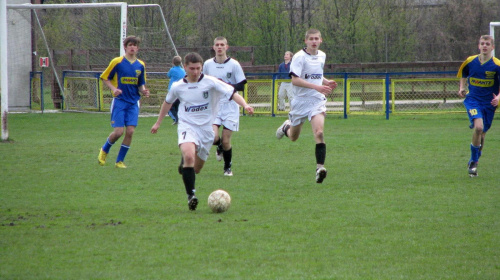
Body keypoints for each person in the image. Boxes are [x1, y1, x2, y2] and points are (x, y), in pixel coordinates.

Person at [151, 52, 254, 211]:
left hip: (206, 130)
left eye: (198, 68)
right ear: (185, 67)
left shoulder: (211, 82)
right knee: (189, 155)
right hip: (187, 125)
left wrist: (245, 105)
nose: (195, 71)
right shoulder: (178, 86)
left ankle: (184, 162)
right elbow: (167, 103)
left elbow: (233, 93)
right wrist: (158, 122)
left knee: (196, 169)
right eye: (192, 68)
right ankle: (191, 196)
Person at [275, 29, 337, 184]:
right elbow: (295, 80)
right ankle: (285, 128)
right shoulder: (299, 57)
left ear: (321, 40)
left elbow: (316, 74)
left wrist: (326, 82)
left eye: (317, 38)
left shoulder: (322, 55)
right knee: (294, 137)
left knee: (319, 132)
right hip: (300, 101)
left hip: (317, 100)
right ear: (306, 41)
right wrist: (316, 87)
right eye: (311, 39)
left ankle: (319, 168)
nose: (314, 41)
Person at [97, 36, 150, 168]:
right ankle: (104, 150)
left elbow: (141, 84)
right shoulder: (117, 62)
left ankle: (119, 161)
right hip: (120, 101)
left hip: (133, 102)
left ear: (137, 48)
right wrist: (114, 89)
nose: (132, 47)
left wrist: (143, 91)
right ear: (125, 47)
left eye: (135, 45)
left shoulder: (140, 65)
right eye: (130, 45)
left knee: (130, 131)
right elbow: (104, 77)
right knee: (119, 132)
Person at [203, 36, 248, 176]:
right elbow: (203, 82)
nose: (220, 47)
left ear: (227, 47)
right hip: (214, 105)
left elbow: (241, 84)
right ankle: (220, 146)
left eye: (222, 44)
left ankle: (227, 167)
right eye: (217, 44)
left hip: (230, 105)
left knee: (227, 140)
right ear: (214, 47)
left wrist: (224, 86)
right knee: (212, 137)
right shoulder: (208, 64)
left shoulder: (234, 64)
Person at [457, 34, 500, 177]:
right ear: (479, 46)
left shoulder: (497, 65)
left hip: (489, 103)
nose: (485, 46)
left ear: (492, 47)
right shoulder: (470, 61)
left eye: (487, 44)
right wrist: (462, 87)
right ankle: (473, 161)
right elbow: (464, 72)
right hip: (473, 100)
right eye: (482, 43)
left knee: (482, 133)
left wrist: (498, 98)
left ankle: (476, 156)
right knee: (479, 127)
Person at [167, 55, 186, 125]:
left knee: (170, 106)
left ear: (173, 62)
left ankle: (176, 119)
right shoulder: (183, 70)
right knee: (178, 105)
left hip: (172, 90)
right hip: (181, 90)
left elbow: (168, 75)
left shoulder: (172, 70)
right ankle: (179, 119)